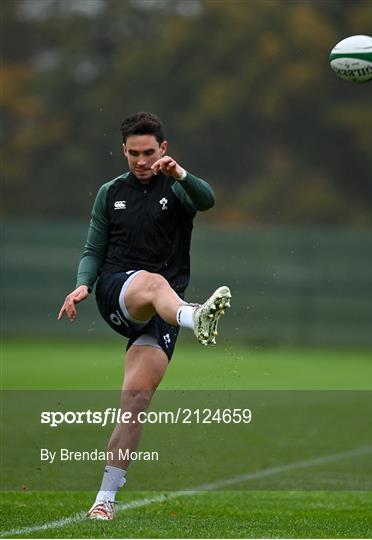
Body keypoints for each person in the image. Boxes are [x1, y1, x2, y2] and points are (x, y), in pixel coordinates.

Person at [58, 112, 231, 520]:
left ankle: (104, 500)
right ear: (123, 150)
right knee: (152, 282)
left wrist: (182, 174)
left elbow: (208, 200)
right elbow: (93, 248)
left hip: (163, 308)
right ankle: (195, 318)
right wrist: (83, 283)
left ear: (163, 149)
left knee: (135, 402)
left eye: (148, 152)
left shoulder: (179, 187)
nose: (140, 160)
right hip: (118, 290)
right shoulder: (110, 192)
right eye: (132, 153)